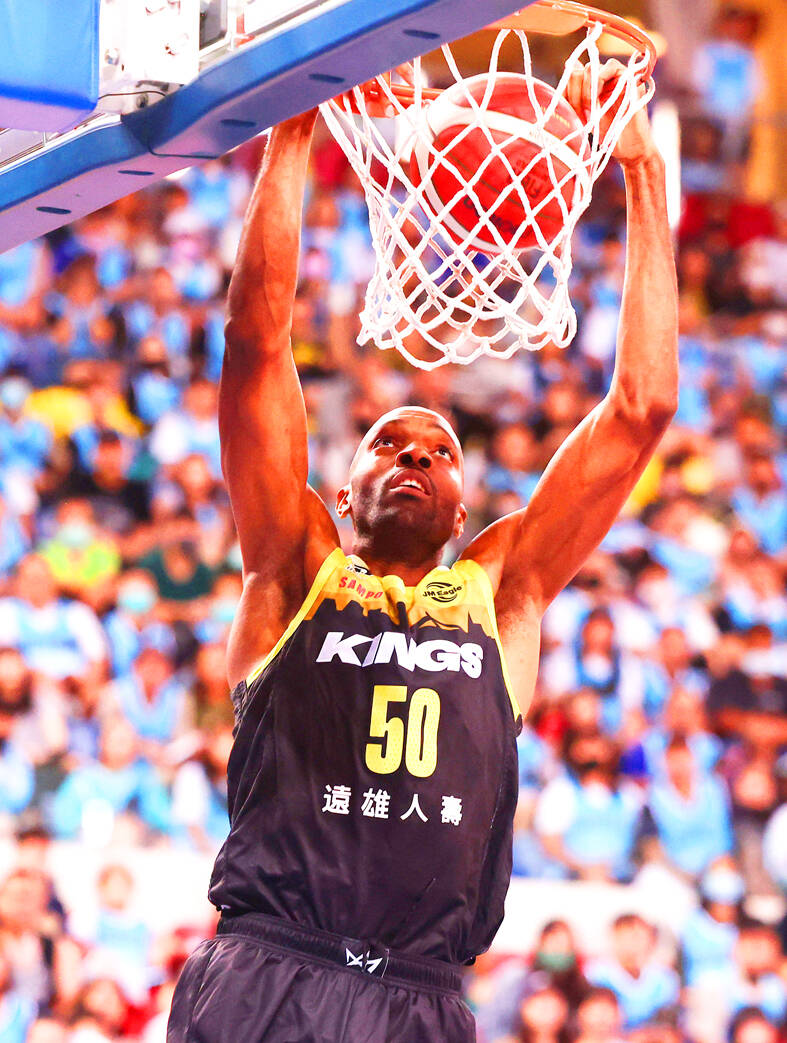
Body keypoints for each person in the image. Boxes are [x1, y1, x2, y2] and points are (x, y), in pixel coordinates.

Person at [167, 58, 678, 1043]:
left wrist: (644, 172)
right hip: (269, 967)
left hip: (421, 995)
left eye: (439, 452)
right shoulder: (295, 565)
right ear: (341, 491)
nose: (414, 455)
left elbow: (641, 408)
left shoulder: (501, 590)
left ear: (462, 512)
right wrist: (295, 128)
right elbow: (255, 342)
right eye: (388, 444)